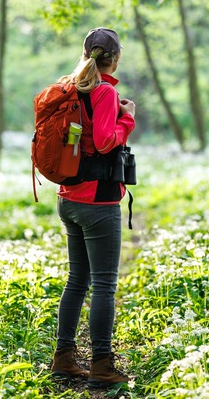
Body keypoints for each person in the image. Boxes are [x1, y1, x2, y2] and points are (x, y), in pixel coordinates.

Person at [49, 27, 136, 388]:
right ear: (114, 59)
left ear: (86, 54)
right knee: (103, 285)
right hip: (97, 201)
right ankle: (102, 364)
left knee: (77, 280)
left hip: (68, 198)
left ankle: (64, 357)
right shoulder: (102, 92)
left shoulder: (70, 86)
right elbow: (103, 142)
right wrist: (127, 118)